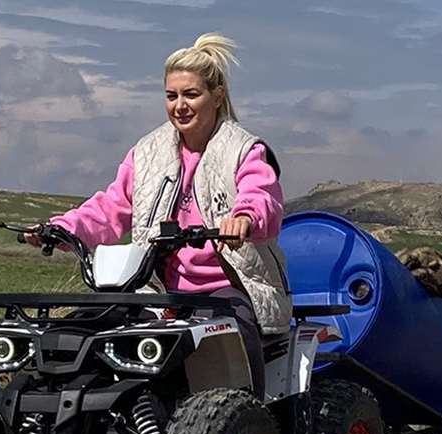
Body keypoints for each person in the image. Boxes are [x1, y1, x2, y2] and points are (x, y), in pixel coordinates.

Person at [28, 33, 290, 395]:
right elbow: (110, 207)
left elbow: (262, 197)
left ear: (217, 97)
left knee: (232, 335)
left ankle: (250, 426)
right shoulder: (147, 153)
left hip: (228, 286)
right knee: (80, 329)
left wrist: (244, 217)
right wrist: (59, 229)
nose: (180, 105)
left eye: (190, 94)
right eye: (171, 96)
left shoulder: (245, 150)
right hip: (156, 290)